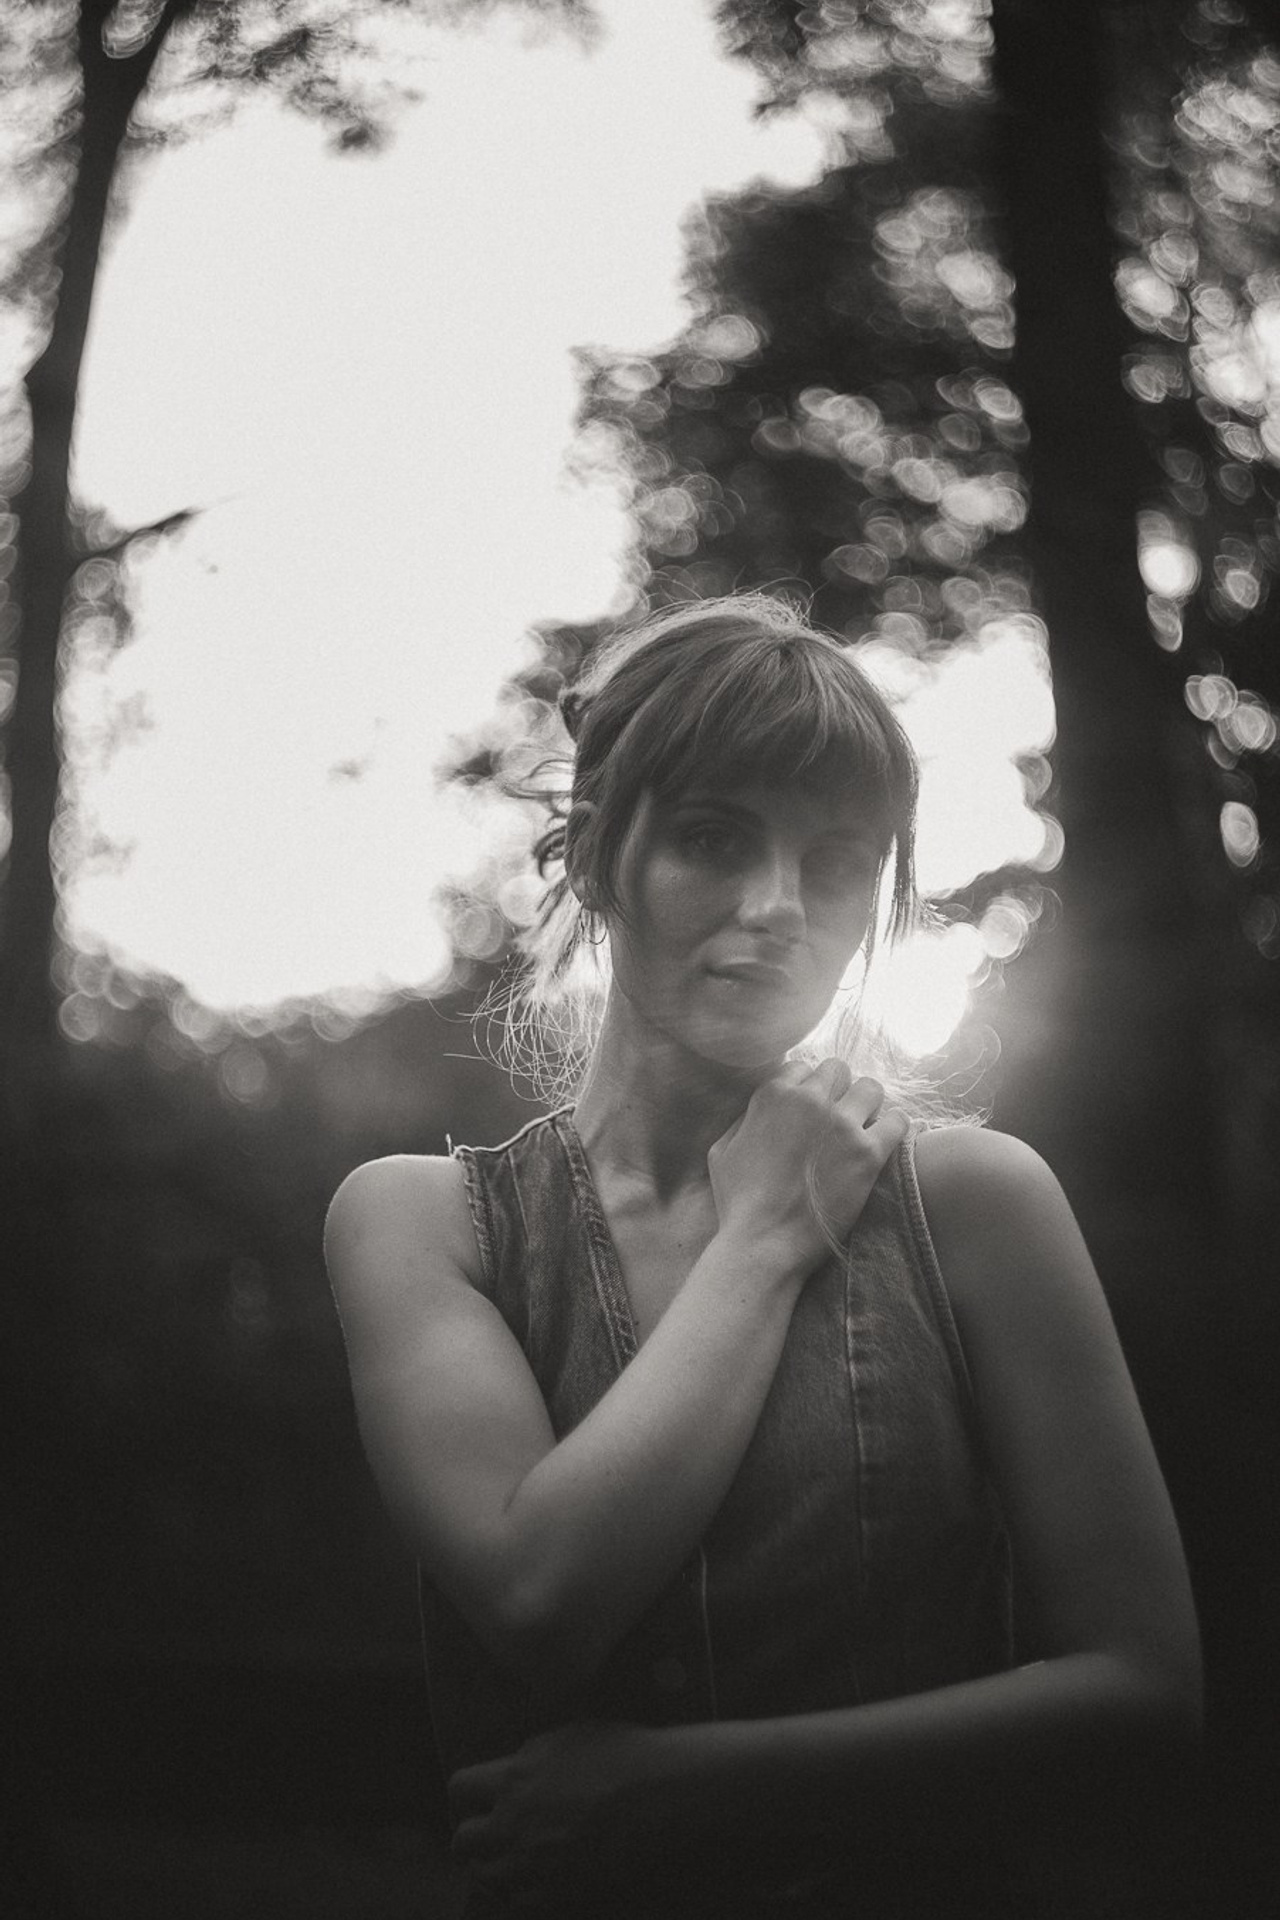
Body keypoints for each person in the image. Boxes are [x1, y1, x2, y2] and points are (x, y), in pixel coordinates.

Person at [325, 594, 1201, 1918]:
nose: (780, 906)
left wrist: (696, 1791)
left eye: (837, 863)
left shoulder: (976, 1203)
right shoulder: (423, 1222)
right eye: (711, 838)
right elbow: (539, 1596)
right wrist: (767, 1236)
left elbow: (1145, 1697)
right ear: (593, 855)